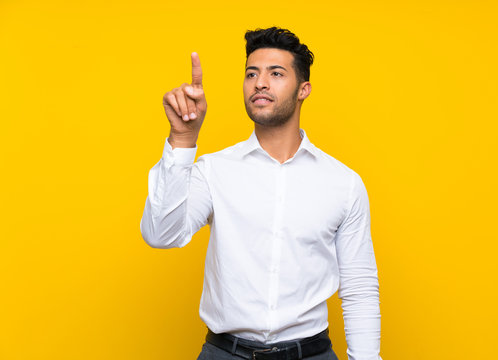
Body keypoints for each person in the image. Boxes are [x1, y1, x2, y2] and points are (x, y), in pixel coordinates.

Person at [140, 27, 382, 360]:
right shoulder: (214, 170)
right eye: (251, 73)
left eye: (276, 73)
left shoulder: (343, 183)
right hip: (225, 353)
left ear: (303, 90)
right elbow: (161, 235)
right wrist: (182, 140)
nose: (260, 83)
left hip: (311, 353)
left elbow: (359, 288)